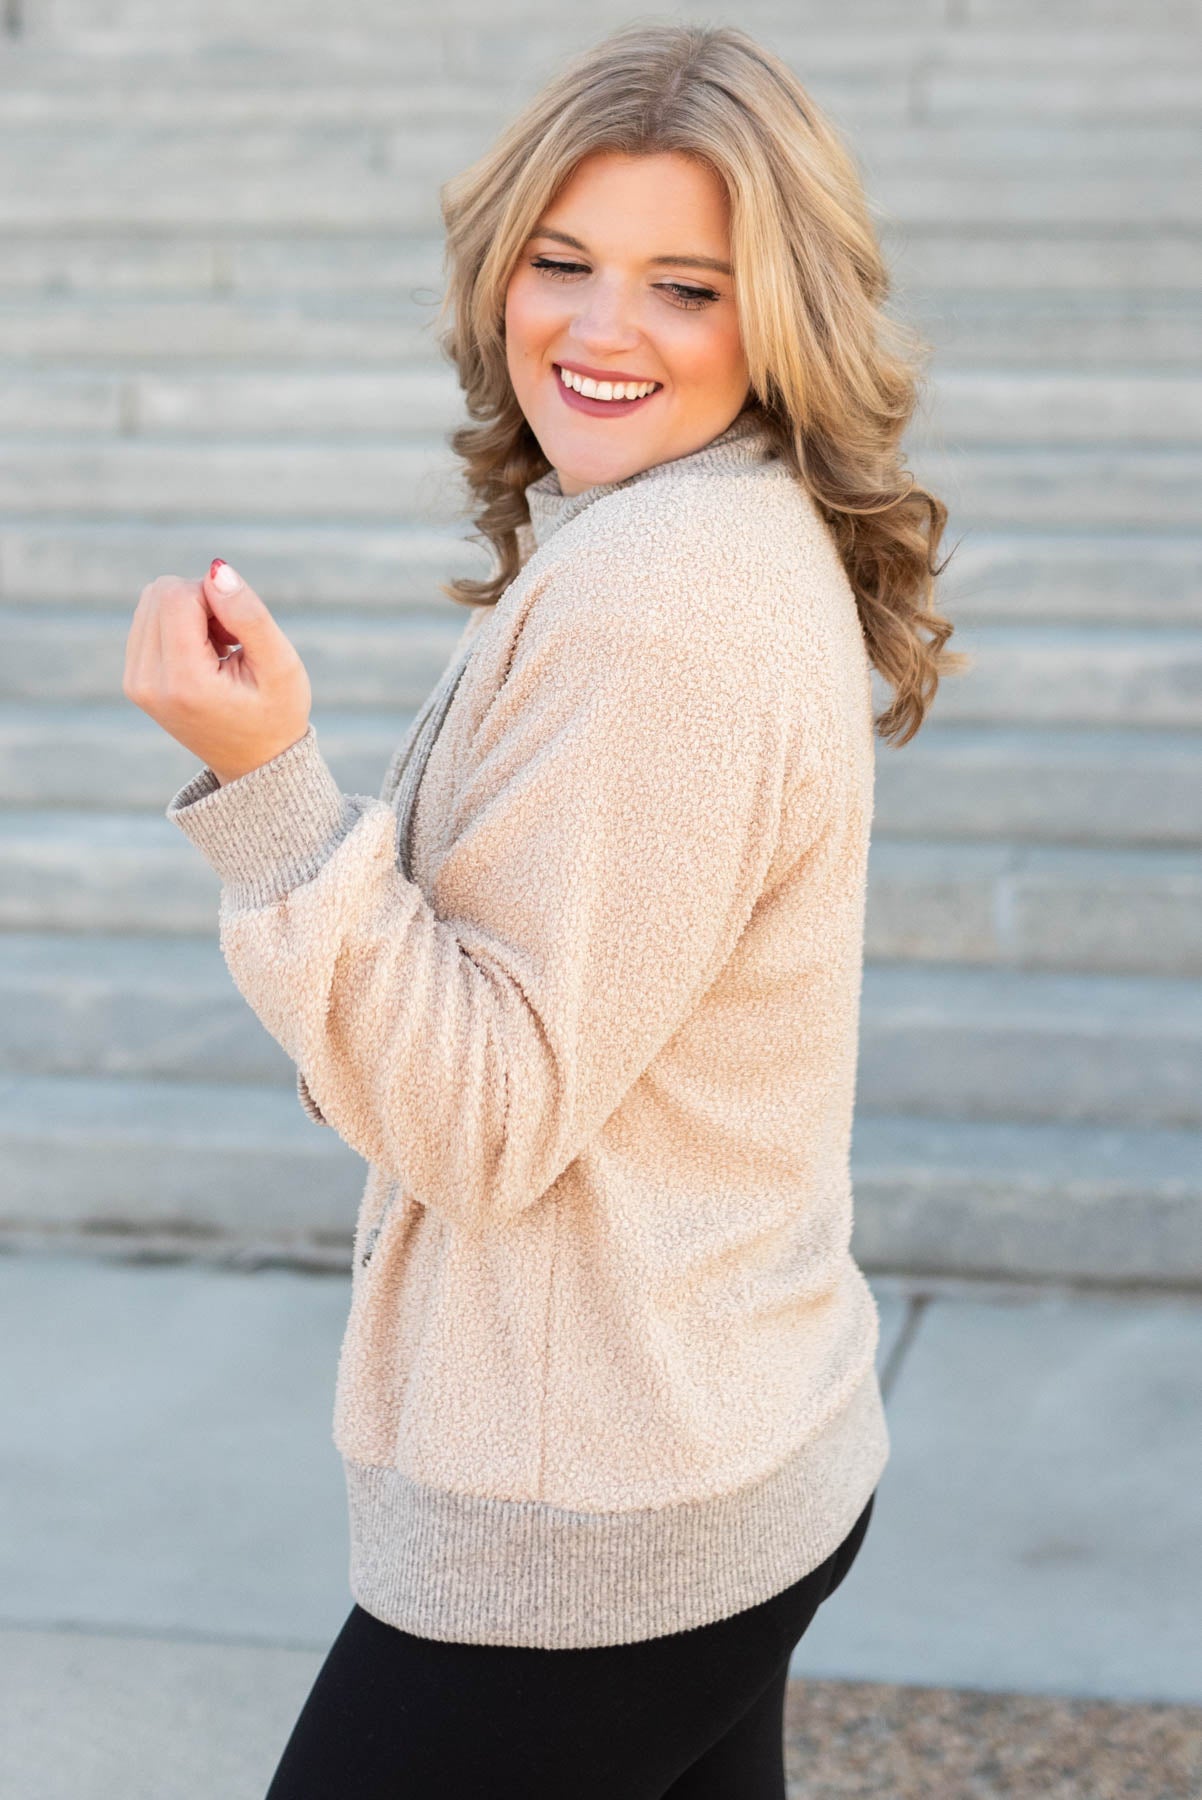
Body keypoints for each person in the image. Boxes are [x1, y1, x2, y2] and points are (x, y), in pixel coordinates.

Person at [125, 20, 962, 1798]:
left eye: (684, 286)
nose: (597, 330)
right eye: (561, 263)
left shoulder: (659, 602)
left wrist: (270, 785)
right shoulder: (696, 529)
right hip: (718, 1451)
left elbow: (482, 1114)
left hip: (588, 1523)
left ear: (780, 314)